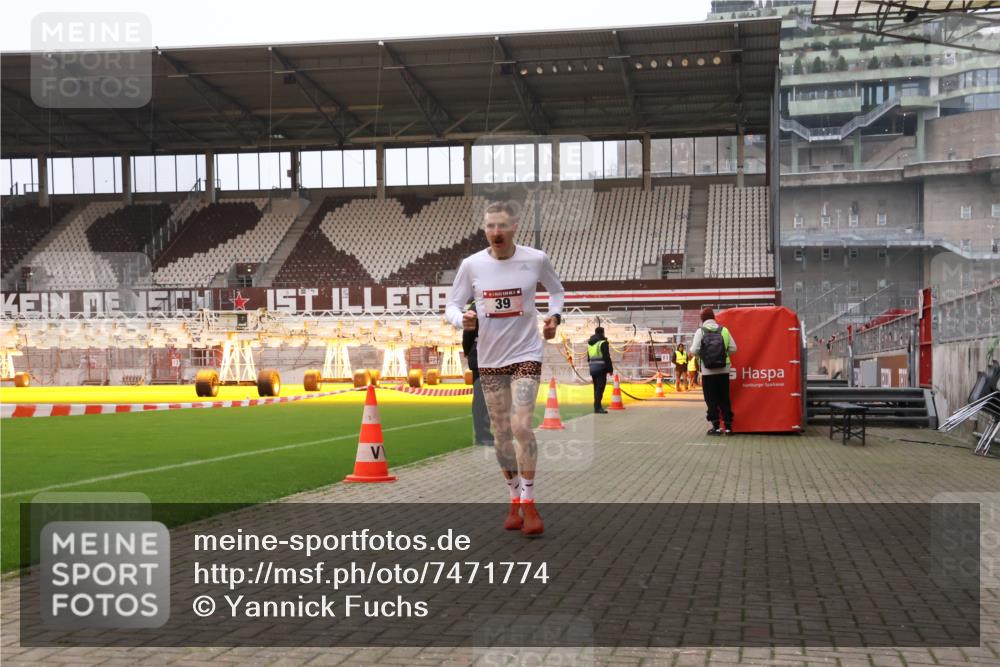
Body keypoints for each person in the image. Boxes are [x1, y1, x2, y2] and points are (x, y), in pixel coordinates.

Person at [446, 200, 565, 536]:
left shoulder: (535, 259)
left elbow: (556, 291)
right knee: (501, 434)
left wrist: (554, 318)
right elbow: (451, 305)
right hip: (491, 358)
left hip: (526, 353)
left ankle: (529, 503)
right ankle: (513, 499)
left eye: (502, 226)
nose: (496, 232)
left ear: (515, 227)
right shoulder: (471, 265)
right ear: (485, 229)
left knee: (522, 426)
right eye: (490, 226)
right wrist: (463, 319)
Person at [690, 306, 737, 435]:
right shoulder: (724, 330)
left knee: (711, 399)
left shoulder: (701, 332)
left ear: (702, 319)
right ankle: (728, 427)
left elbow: (694, 351)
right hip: (724, 369)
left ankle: (716, 426)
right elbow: (734, 348)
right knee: (724, 398)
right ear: (713, 318)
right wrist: (723, 354)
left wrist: (704, 356)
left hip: (708, 370)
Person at [462, 301, 493, 446]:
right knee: (483, 399)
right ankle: (482, 434)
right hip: (485, 357)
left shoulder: (478, 305)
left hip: (485, 356)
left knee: (484, 399)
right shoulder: (477, 306)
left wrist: (468, 351)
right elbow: (468, 331)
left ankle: (484, 433)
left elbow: (468, 334)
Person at [587, 326, 614, 413]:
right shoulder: (603, 343)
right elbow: (606, 357)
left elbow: (588, 358)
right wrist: (610, 369)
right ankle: (598, 407)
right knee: (600, 388)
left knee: (596, 388)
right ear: (603, 333)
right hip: (601, 369)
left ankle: (596, 407)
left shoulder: (590, 343)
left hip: (592, 368)